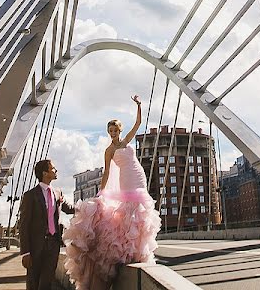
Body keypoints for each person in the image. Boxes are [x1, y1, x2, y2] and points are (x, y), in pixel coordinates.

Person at [63, 95, 162, 290]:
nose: (113, 133)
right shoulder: (109, 150)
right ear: (108, 132)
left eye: (115, 130)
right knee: (130, 211)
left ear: (120, 130)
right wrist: (101, 191)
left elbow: (139, 122)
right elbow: (108, 172)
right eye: (110, 131)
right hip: (126, 178)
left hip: (138, 175)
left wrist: (139, 105)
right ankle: (127, 250)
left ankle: (137, 249)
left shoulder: (126, 141)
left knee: (142, 211)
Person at [19, 158, 75, 290]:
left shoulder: (57, 193)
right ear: (45, 173)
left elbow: (68, 208)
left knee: (47, 282)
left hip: (53, 244)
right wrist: (25, 252)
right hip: (35, 246)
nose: (56, 171)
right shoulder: (30, 195)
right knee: (33, 281)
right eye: (53, 169)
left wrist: (89, 208)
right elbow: (24, 225)